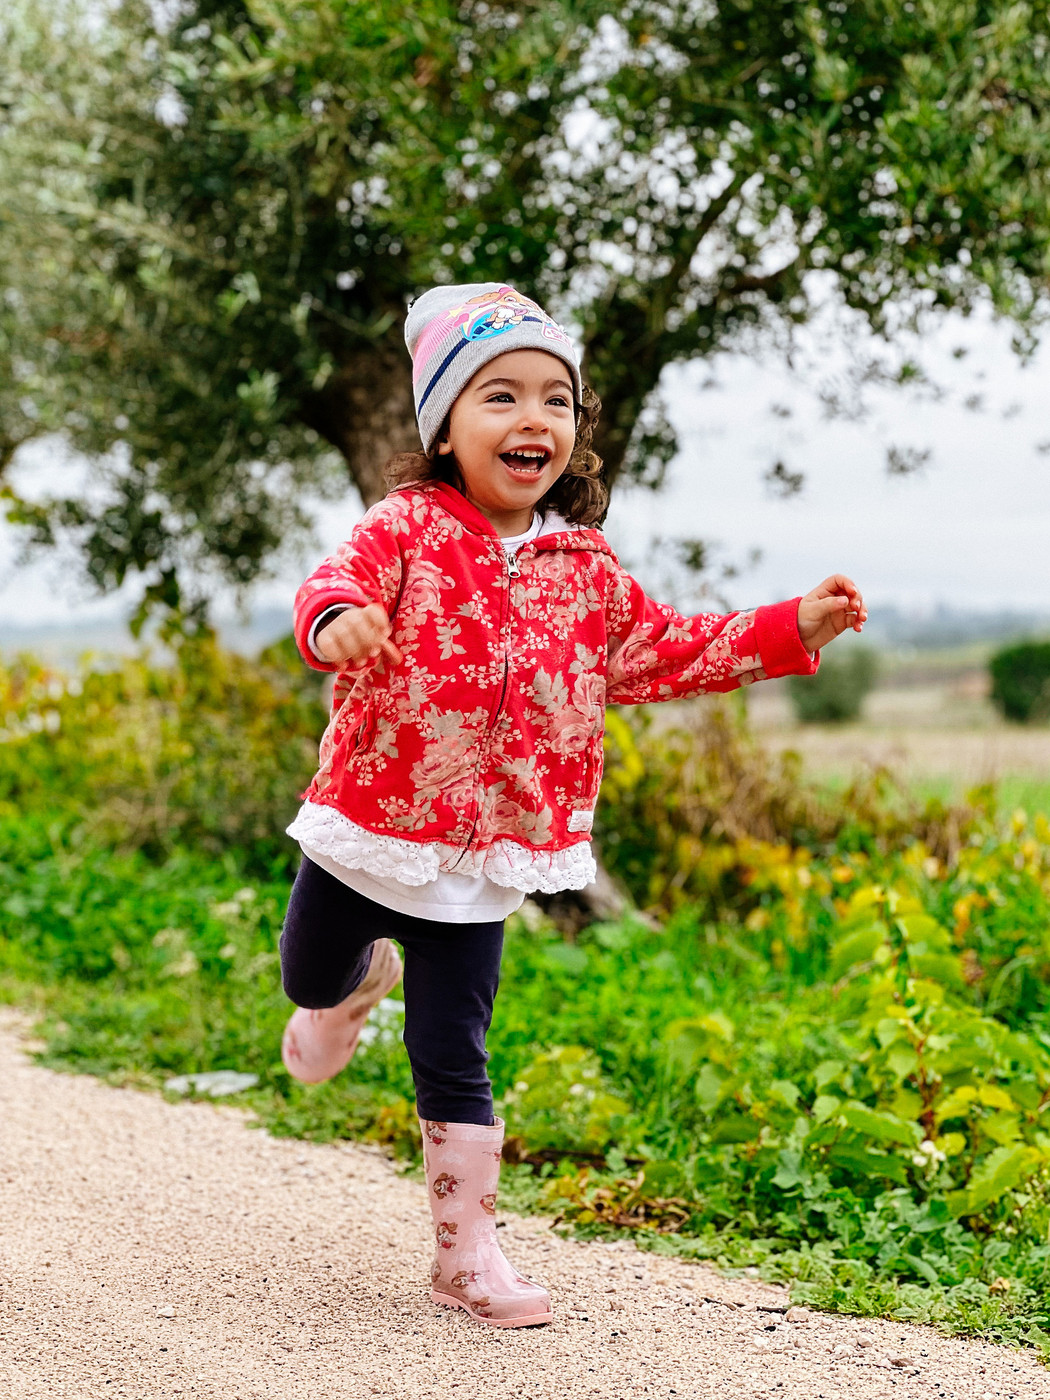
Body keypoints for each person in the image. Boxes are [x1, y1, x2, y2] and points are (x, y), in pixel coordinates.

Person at [279, 282, 867, 1329]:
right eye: (500, 395)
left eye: (556, 399)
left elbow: (666, 649)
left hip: (487, 858)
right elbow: (331, 582)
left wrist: (791, 627)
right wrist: (337, 623)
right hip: (370, 828)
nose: (534, 418)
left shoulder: (585, 567)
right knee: (307, 974)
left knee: (455, 1053)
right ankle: (353, 984)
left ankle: (467, 1255)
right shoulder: (406, 525)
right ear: (445, 428)